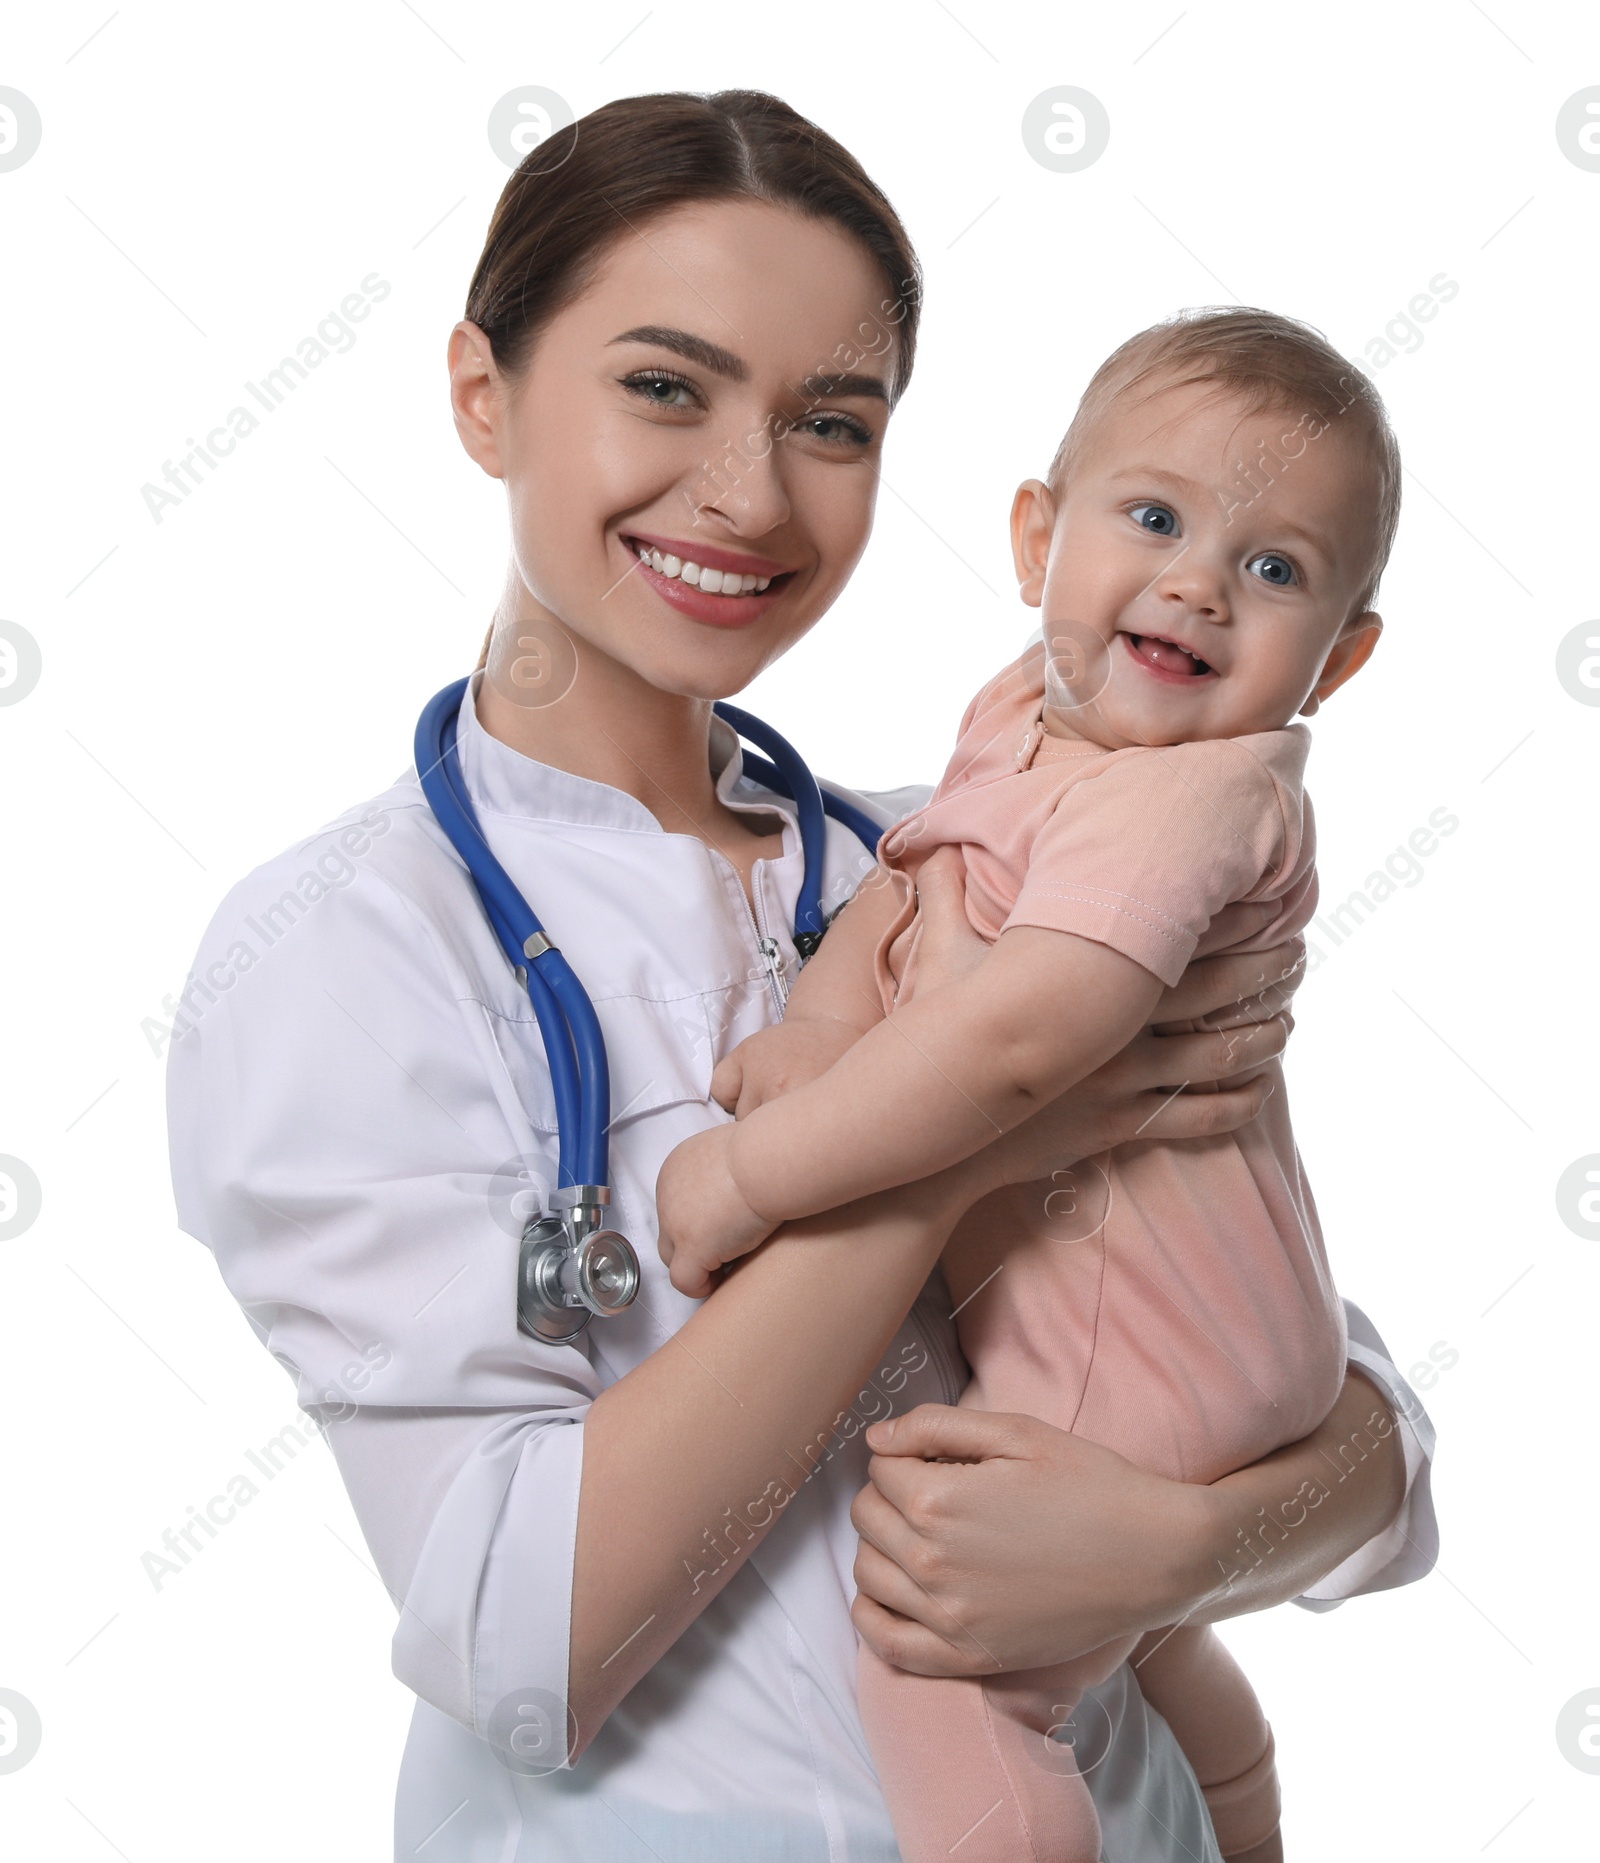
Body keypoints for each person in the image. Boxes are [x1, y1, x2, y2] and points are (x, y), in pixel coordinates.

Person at [164, 91, 1436, 1862]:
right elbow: (519, 1644)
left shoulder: (969, 858)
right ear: (483, 392)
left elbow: (1356, 1437)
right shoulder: (345, 952)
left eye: (829, 421)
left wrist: (1172, 1559)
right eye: (665, 386)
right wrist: (956, 1160)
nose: (750, 493)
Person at [656, 305, 1400, 1863]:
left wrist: (752, 1172)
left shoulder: (1186, 799)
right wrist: (833, 1019)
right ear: (1035, 539)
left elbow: (1014, 1045)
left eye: (1275, 572)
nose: (1200, 581)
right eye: (1154, 518)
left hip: (1142, 1339)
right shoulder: (1023, 713)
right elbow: (923, 866)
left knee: (948, 1667)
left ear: (1338, 658)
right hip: (1247, 1329)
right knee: (1144, 1635)